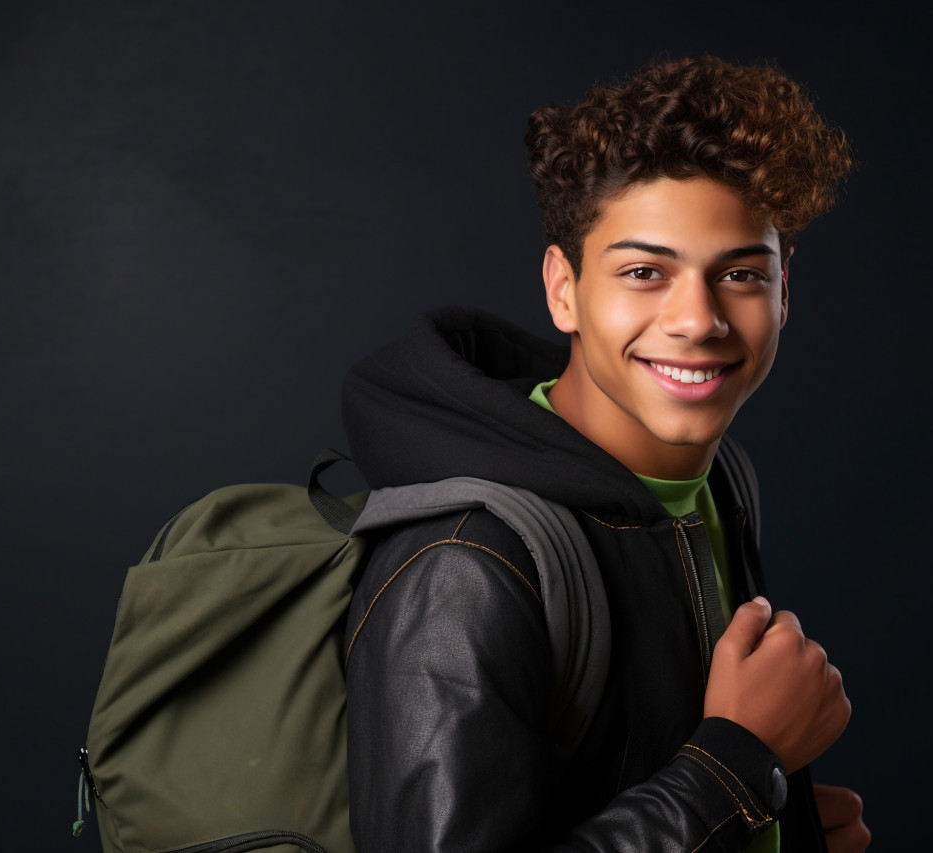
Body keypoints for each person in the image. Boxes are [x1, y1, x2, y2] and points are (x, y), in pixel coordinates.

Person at [340, 55, 869, 852]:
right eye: (644, 272)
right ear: (564, 288)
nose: (697, 319)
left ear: (784, 291)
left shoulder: (720, 482)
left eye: (740, 274)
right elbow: (717, 764)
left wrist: (780, 821)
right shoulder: (465, 565)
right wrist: (736, 769)